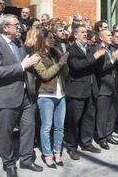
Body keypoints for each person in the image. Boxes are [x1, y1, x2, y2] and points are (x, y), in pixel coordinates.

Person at [0, 14, 42, 177]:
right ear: (5, 27)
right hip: (5, 97)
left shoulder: (18, 43)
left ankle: (26, 159)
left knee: (28, 128)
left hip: (24, 95)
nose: (20, 27)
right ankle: (9, 163)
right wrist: (22, 65)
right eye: (16, 25)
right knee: (6, 133)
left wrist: (30, 62)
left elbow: (23, 65)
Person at [65, 25, 106, 161]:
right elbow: (77, 66)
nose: (85, 34)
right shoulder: (71, 49)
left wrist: (100, 58)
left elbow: (96, 68)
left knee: (89, 118)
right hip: (77, 90)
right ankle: (72, 147)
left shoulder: (90, 48)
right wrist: (95, 56)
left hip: (91, 88)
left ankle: (86, 142)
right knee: (74, 120)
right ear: (75, 35)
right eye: (82, 32)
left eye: (86, 32)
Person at [33, 29, 69, 168]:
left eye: (53, 37)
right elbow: (45, 75)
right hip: (46, 95)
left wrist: (64, 62)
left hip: (61, 94)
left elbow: (65, 74)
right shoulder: (37, 56)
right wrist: (60, 63)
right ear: (42, 39)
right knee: (47, 127)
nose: (53, 40)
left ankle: (57, 153)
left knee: (59, 127)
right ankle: (47, 155)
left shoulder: (55, 53)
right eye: (50, 37)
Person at [95, 29, 118, 150]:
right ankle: (102, 138)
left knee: (112, 113)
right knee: (102, 114)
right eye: (108, 35)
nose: (111, 37)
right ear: (101, 38)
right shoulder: (97, 49)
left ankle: (109, 135)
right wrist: (113, 60)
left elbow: (116, 68)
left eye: (111, 35)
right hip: (103, 86)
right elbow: (99, 68)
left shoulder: (111, 48)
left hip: (113, 85)